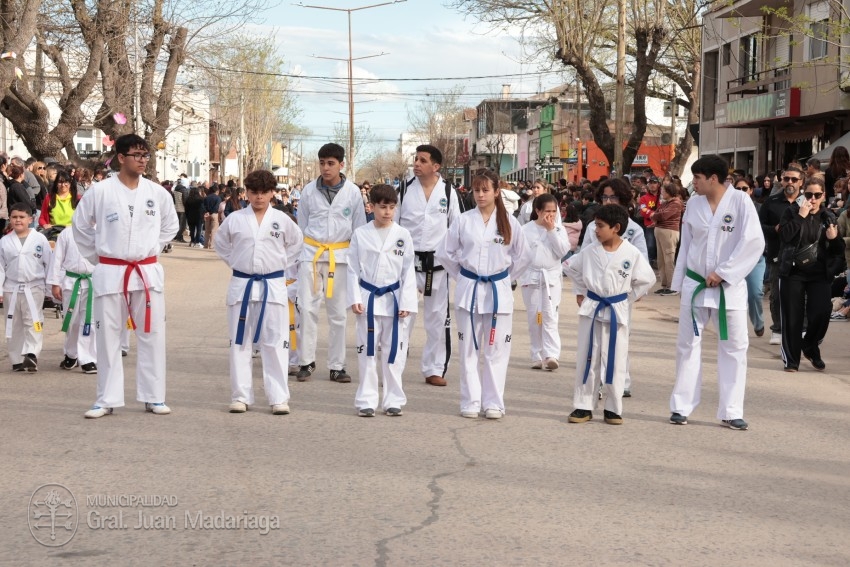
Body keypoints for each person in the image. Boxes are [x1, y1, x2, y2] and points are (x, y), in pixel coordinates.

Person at [73, 134, 179, 419]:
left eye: (146, 155)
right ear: (121, 157)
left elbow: (171, 225)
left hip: (146, 272)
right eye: (137, 155)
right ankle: (106, 398)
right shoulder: (100, 191)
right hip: (111, 271)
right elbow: (80, 226)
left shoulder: (157, 193)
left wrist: (151, 248)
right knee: (108, 337)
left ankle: (154, 396)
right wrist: (100, 258)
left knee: (152, 335)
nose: (143, 160)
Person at [668, 155, 764, 430]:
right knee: (687, 346)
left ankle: (732, 410)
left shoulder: (741, 202)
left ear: (712, 178)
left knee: (734, 349)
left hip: (728, 288)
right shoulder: (694, 205)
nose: (693, 183)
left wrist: (724, 272)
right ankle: (681, 406)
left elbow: (753, 243)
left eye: (697, 178)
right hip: (696, 285)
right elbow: (685, 246)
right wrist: (679, 282)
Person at [436, 168, 530, 420]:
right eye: (476, 190)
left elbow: (523, 257)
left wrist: (507, 278)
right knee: (468, 349)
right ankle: (470, 401)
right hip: (470, 288)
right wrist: (464, 277)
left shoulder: (510, 222)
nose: (479, 195)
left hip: (498, 290)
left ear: (497, 191)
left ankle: (493, 402)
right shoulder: (464, 220)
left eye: (485, 190)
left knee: (496, 350)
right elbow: (445, 253)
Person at [214, 169, 303, 415]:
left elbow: (297, 243)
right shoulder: (235, 219)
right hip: (242, 285)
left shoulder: (282, 220)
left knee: (275, 343)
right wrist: (237, 261)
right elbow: (220, 244)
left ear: (272, 193)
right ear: (247, 192)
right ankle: (241, 396)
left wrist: (281, 265)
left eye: (264, 192)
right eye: (254, 192)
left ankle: (278, 397)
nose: (259, 197)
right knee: (239, 342)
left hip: (272, 286)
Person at [566, 205, 655, 424]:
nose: (595, 230)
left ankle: (613, 407)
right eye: (595, 225)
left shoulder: (631, 253)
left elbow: (647, 279)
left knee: (616, 359)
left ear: (616, 228)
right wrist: (582, 290)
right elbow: (570, 268)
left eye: (600, 226)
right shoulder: (589, 251)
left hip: (617, 309)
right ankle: (583, 405)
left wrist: (629, 297)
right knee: (588, 356)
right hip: (593, 307)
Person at [296, 143, 367, 383]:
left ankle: (337, 365)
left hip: (340, 258)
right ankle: (306, 361)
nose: (326, 168)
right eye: (322, 163)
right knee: (306, 310)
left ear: (341, 165)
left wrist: (358, 264)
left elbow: (358, 229)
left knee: (338, 314)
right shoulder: (308, 191)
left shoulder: (353, 192)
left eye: (331, 163)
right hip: (312, 256)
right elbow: (301, 225)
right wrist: (304, 252)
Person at [347, 184, 417, 417]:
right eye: (382, 207)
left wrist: (407, 302)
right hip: (367, 299)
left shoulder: (402, 235)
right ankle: (366, 400)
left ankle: (393, 399)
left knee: (393, 352)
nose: (387, 212)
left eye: (391, 207)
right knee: (367, 352)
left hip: (394, 299)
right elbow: (352, 269)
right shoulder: (360, 233)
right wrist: (354, 297)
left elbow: (408, 271)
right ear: (372, 207)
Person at [396, 144, 461, 387]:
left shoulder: (448, 191)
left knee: (437, 319)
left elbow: (457, 228)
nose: (416, 164)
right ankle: (395, 365)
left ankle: (434, 368)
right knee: (403, 317)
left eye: (423, 160)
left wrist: (457, 263)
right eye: (416, 159)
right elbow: (392, 226)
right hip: (409, 265)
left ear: (436, 166)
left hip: (438, 265)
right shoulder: (403, 189)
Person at [777, 177, 845, 372]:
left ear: (823, 196)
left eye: (817, 195)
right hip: (793, 272)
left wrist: (834, 239)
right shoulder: (791, 212)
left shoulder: (828, 216)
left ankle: (810, 345)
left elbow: (838, 251)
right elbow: (784, 237)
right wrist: (800, 217)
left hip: (819, 274)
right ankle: (791, 360)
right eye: (808, 195)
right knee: (792, 316)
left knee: (822, 313)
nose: (812, 199)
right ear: (802, 195)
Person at [519, 193, 572, 370]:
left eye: (554, 211)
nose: (551, 215)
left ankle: (551, 355)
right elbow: (520, 255)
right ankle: (537, 354)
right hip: (532, 277)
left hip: (551, 277)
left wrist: (551, 231)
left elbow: (562, 250)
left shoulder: (558, 228)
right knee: (535, 317)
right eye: (547, 211)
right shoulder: (526, 229)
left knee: (550, 316)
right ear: (537, 211)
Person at [0, 203, 52, 372]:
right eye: (14, 217)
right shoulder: (5, 241)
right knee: (14, 323)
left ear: (31, 219)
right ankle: (16, 359)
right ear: (10, 219)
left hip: (34, 286)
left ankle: (31, 353)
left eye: (22, 217)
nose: (18, 220)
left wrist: (50, 288)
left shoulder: (40, 239)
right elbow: (0, 267)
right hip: (11, 288)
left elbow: (49, 264)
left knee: (34, 321)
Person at [759, 165, 804, 345]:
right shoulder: (772, 202)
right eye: (786, 179)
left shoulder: (809, 201)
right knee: (777, 294)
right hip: (778, 254)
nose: (790, 182)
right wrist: (774, 229)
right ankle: (777, 329)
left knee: (802, 296)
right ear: (782, 181)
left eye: (794, 179)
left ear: (801, 182)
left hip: (802, 256)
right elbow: (759, 226)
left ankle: (801, 329)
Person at [48, 222, 97, 374]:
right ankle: (71, 354)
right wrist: (55, 283)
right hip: (71, 281)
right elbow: (57, 259)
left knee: (90, 321)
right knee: (71, 321)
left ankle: (88, 359)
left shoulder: (102, 232)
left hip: (94, 281)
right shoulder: (67, 233)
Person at [736, 179, 767, 337]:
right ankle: (738, 329)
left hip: (756, 258)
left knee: (755, 293)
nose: (741, 191)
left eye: (745, 188)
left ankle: (758, 322)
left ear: (751, 190)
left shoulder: (760, 209)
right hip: (735, 259)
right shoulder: (727, 210)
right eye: (738, 188)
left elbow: (767, 230)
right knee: (735, 296)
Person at [652, 182, 684, 296]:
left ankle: (672, 286)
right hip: (661, 231)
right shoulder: (666, 203)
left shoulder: (676, 203)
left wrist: (654, 216)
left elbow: (662, 215)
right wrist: (655, 215)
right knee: (661, 260)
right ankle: (665, 284)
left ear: (670, 191)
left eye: (664, 191)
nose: (662, 193)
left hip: (669, 232)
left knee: (668, 259)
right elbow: (657, 213)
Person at [638, 177, 660, 266]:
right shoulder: (643, 198)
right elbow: (643, 210)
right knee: (650, 245)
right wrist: (654, 214)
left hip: (661, 226)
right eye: (650, 183)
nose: (652, 185)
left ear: (658, 184)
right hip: (649, 225)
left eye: (654, 183)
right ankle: (649, 263)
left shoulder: (663, 196)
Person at [202, 184, 222, 249]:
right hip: (214, 214)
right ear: (217, 191)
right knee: (214, 230)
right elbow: (217, 207)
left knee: (207, 230)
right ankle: (211, 245)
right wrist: (212, 212)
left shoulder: (206, 197)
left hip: (207, 214)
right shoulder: (218, 198)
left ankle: (206, 244)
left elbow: (203, 206)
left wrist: (207, 212)